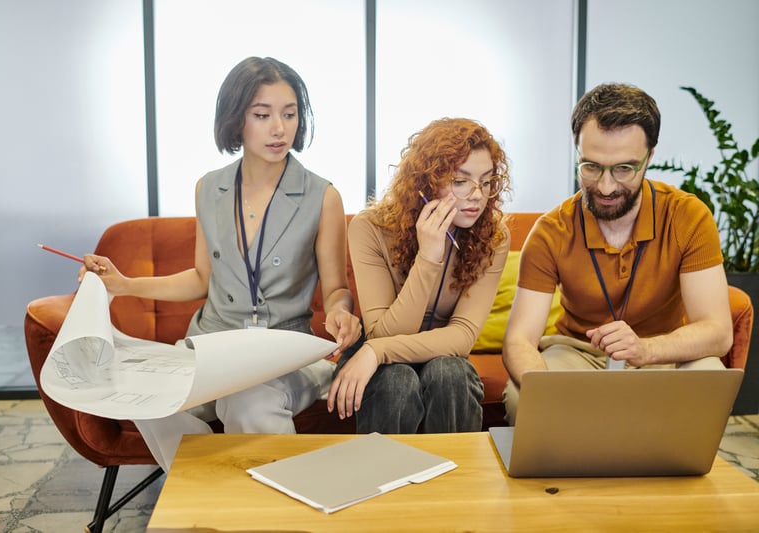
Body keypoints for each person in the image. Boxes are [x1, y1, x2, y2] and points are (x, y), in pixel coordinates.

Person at [80, 56, 362, 470]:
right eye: (262, 115)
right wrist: (123, 284)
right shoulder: (208, 189)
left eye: (289, 114)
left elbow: (336, 288)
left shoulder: (323, 197)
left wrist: (341, 312)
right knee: (146, 396)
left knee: (247, 401)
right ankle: (209, 491)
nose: (279, 128)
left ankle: (284, 506)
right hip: (210, 346)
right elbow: (201, 279)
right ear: (236, 120)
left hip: (280, 352)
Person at [501, 83, 733, 424]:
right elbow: (519, 340)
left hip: (663, 353)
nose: (606, 187)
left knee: (710, 376)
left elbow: (718, 331)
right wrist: (546, 391)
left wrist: (646, 350)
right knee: (522, 399)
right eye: (591, 167)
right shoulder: (551, 231)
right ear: (577, 153)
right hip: (579, 355)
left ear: (650, 157)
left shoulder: (689, 216)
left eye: (624, 168)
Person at [327, 117, 512, 433]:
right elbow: (383, 333)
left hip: (433, 356)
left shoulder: (494, 237)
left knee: (450, 373)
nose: (478, 195)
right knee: (397, 379)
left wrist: (376, 350)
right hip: (380, 363)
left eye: (486, 181)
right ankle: (383, 480)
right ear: (426, 182)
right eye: (460, 181)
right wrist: (428, 257)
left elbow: (462, 337)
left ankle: (457, 481)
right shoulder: (369, 228)